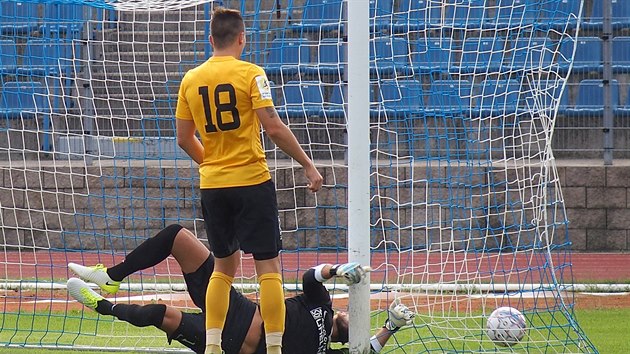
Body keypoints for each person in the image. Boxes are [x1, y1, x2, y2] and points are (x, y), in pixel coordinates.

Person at [174, 7, 323, 354]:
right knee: (267, 266)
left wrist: (211, 163)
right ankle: (273, 349)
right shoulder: (252, 74)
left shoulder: (190, 79)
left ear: (210, 40)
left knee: (223, 269)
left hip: (213, 185)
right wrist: (307, 165)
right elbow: (272, 127)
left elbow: (183, 138)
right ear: (242, 37)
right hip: (252, 181)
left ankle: (212, 346)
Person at [67, 224, 415, 354]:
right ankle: (110, 278)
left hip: (224, 345)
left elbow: (366, 351)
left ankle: (100, 306)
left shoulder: (329, 352)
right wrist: (337, 270)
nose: (348, 314)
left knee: (162, 315)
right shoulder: (321, 306)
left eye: (354, 320)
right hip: (232, 310)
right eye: (351, 312)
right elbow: (312, 277)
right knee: (178, 237)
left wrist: (391, 328)